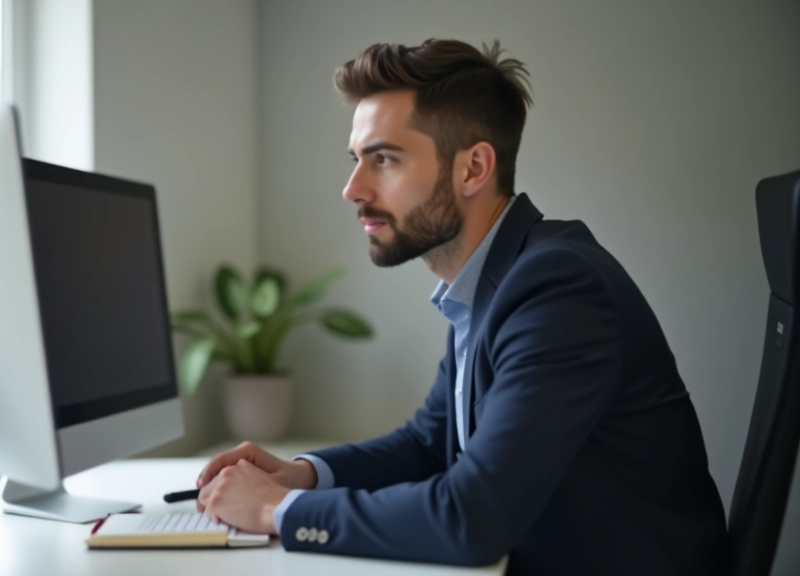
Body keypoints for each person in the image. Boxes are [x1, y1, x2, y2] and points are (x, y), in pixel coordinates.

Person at [194, 38, 727, 575]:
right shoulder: (493, 281)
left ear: (473, 168)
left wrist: (276, 509)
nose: (352, 189)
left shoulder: (557, 288)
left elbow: (473, 519)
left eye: (384, 159)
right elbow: (429, 445)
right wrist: (302, 476)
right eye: (356, 160)